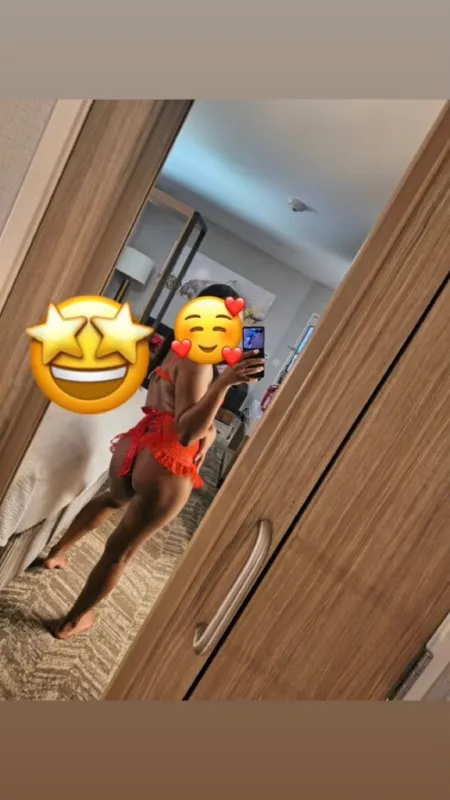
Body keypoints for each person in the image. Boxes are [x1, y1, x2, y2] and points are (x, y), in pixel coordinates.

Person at [42, 283, 264, 639]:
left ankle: (55, 552)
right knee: (120, 553)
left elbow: (175, 407)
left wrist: (210, 427)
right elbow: (187, 431)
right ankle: (70, 623)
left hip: (138, 443)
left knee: (112, 499)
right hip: (166, 462)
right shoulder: (201, 363)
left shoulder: (179, 348)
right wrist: (223, 384)